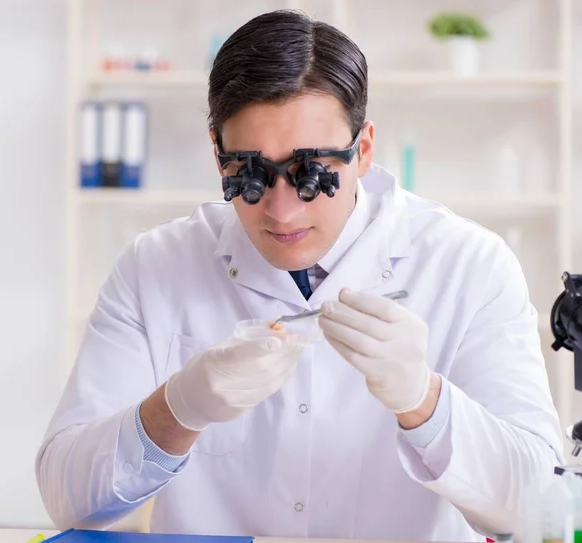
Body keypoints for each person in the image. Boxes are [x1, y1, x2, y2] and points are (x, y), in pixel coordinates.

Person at [36, 9, 563, 542]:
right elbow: (67, 499)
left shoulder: (468, 265)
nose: (281, 212)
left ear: (363, 148)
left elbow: (540, 505)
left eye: (311, 174)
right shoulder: (154, 267)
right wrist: (175, 410)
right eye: (249, 175)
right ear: (218, 154)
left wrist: (424, 401)